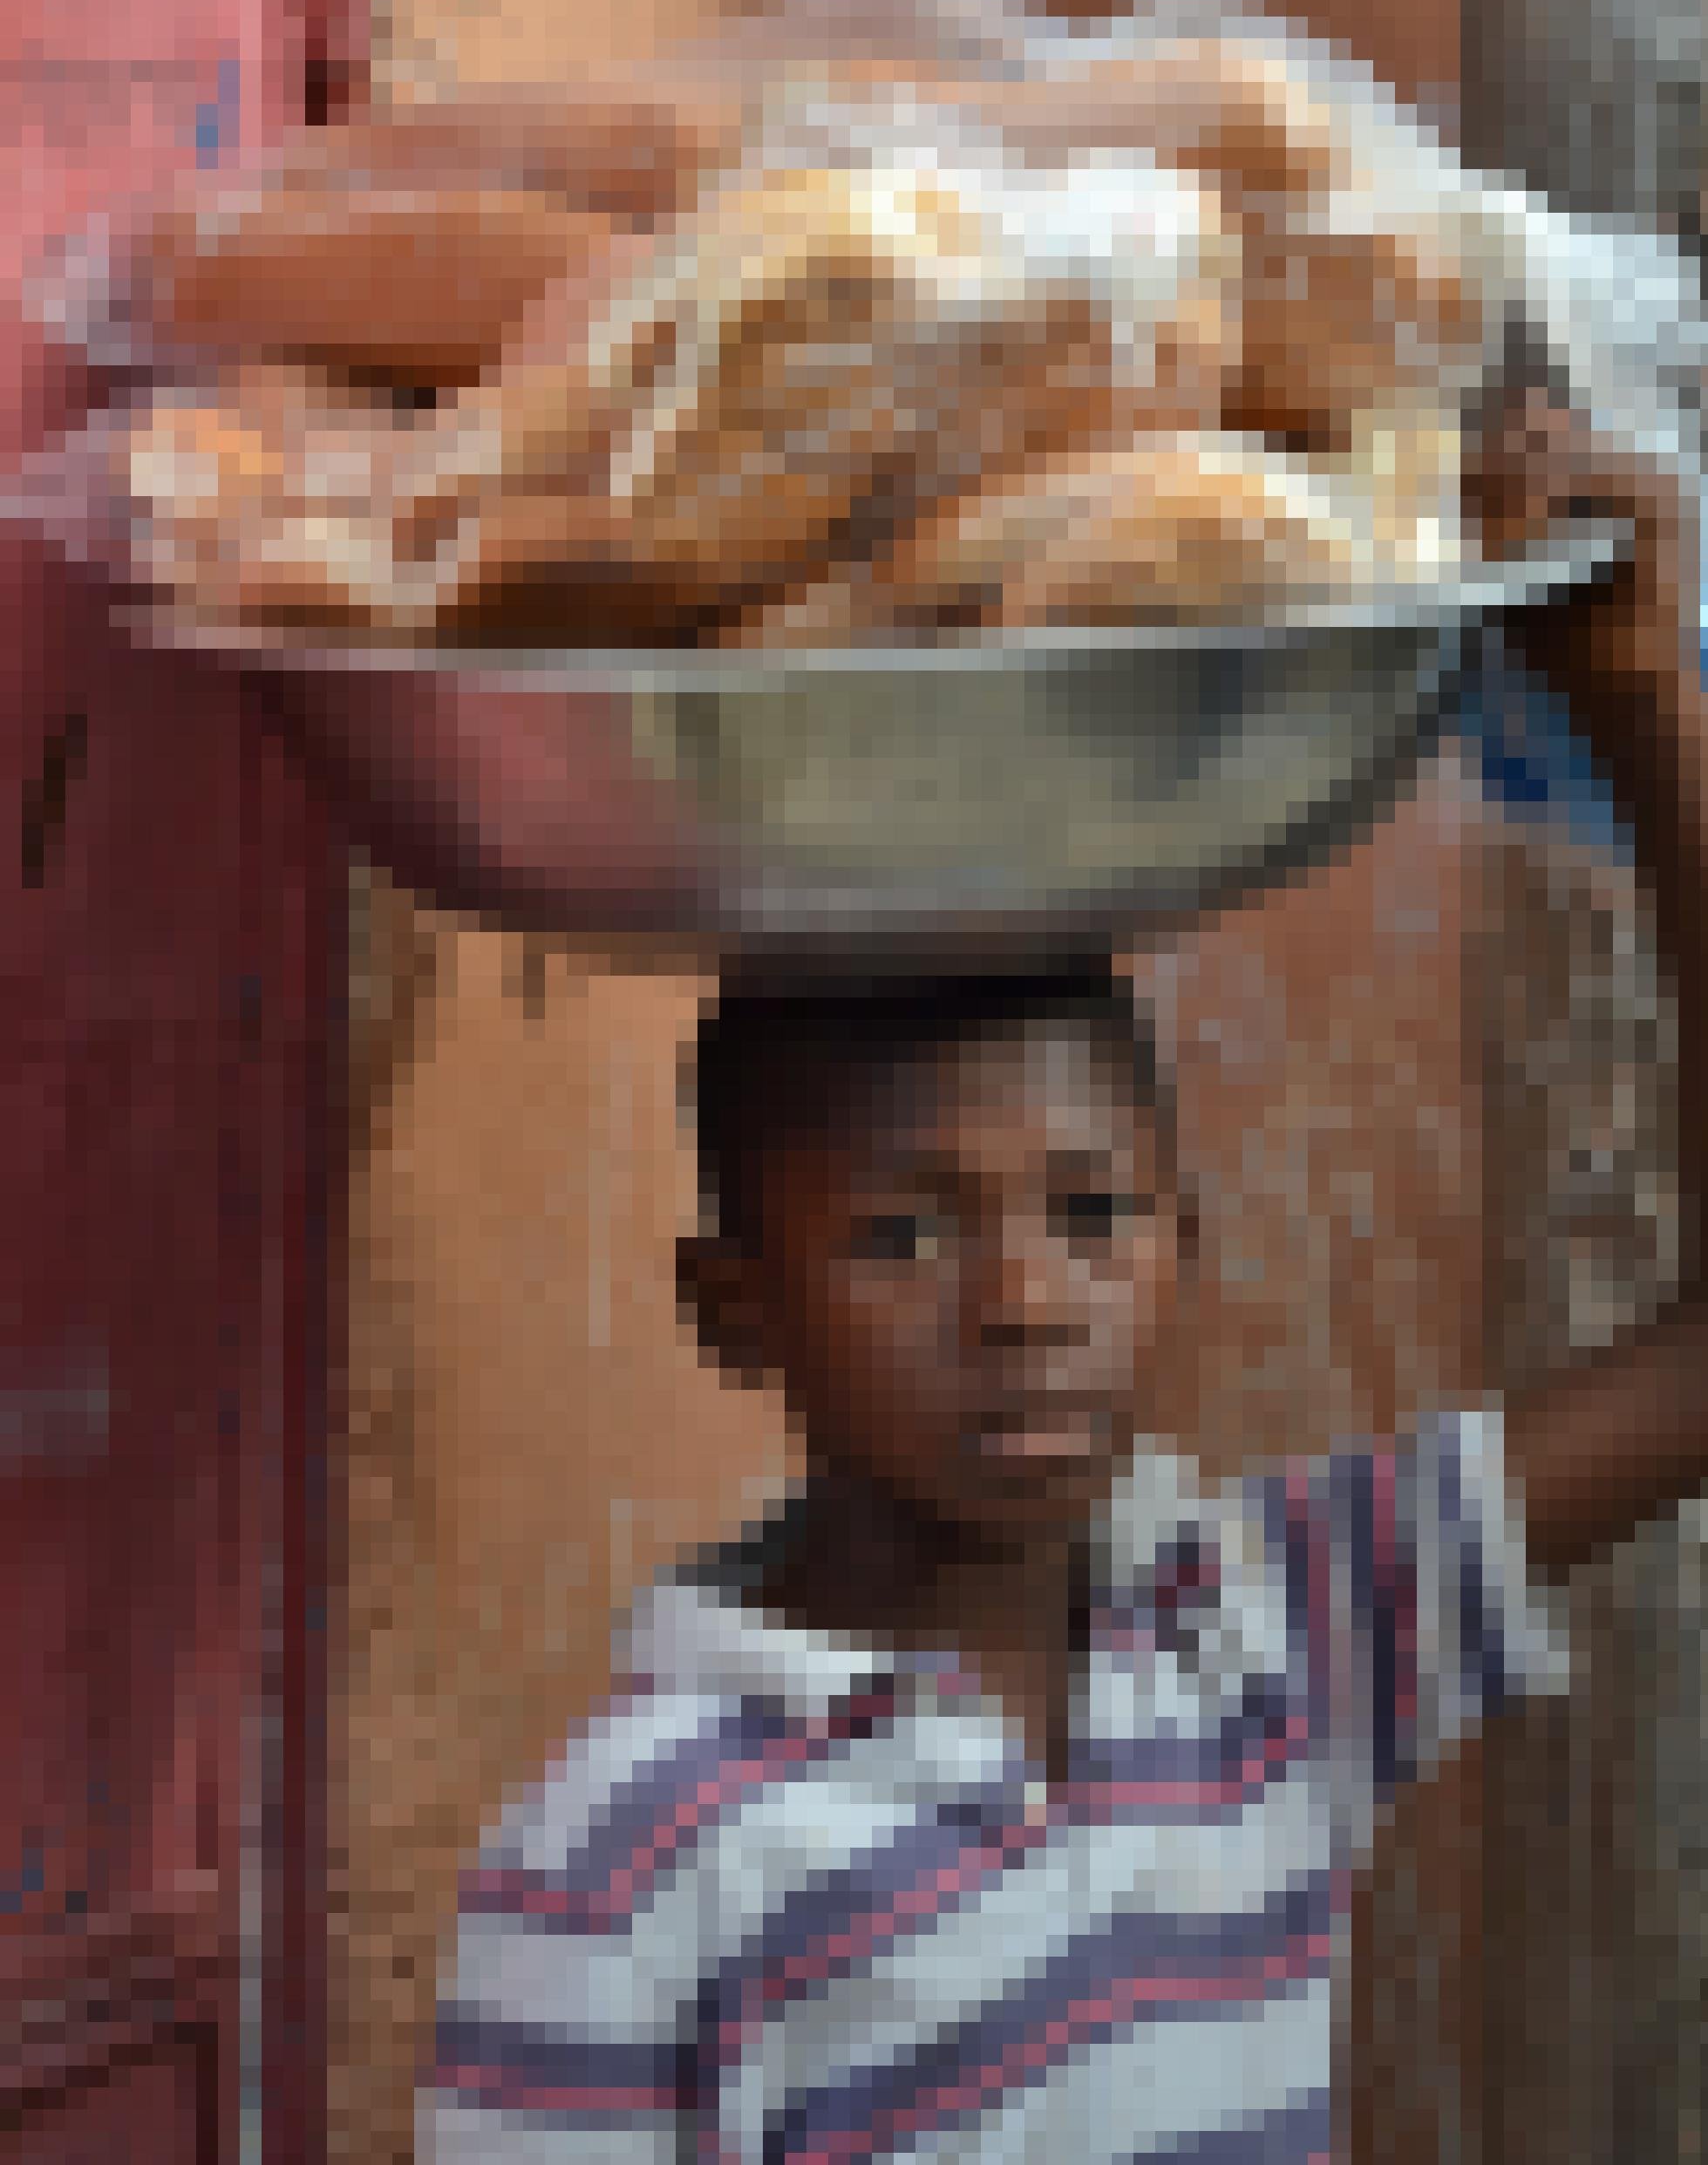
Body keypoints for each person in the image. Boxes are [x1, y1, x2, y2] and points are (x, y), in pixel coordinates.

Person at [413, 374, 1706, 2159]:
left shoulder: (1265, 1643)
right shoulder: (627, 1853)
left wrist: (1646, 709)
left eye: (1091, 1214)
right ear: (736, 1310)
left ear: (1186, 1241)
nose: (1024, 1305)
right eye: (899, 1233)